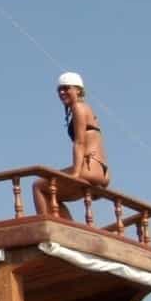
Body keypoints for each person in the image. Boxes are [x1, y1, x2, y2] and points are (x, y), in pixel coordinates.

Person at [31, 71, 110, 219]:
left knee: (38, 186)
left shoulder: (78, 107)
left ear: (78, 90)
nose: (62, 92)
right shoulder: (88, 110)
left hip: (88, 168)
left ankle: (49, 227)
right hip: (101, 171)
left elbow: (79, 142)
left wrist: (75, 173)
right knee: (53, 195)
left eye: (66, 88)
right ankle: (69, 228)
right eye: (59, 90)